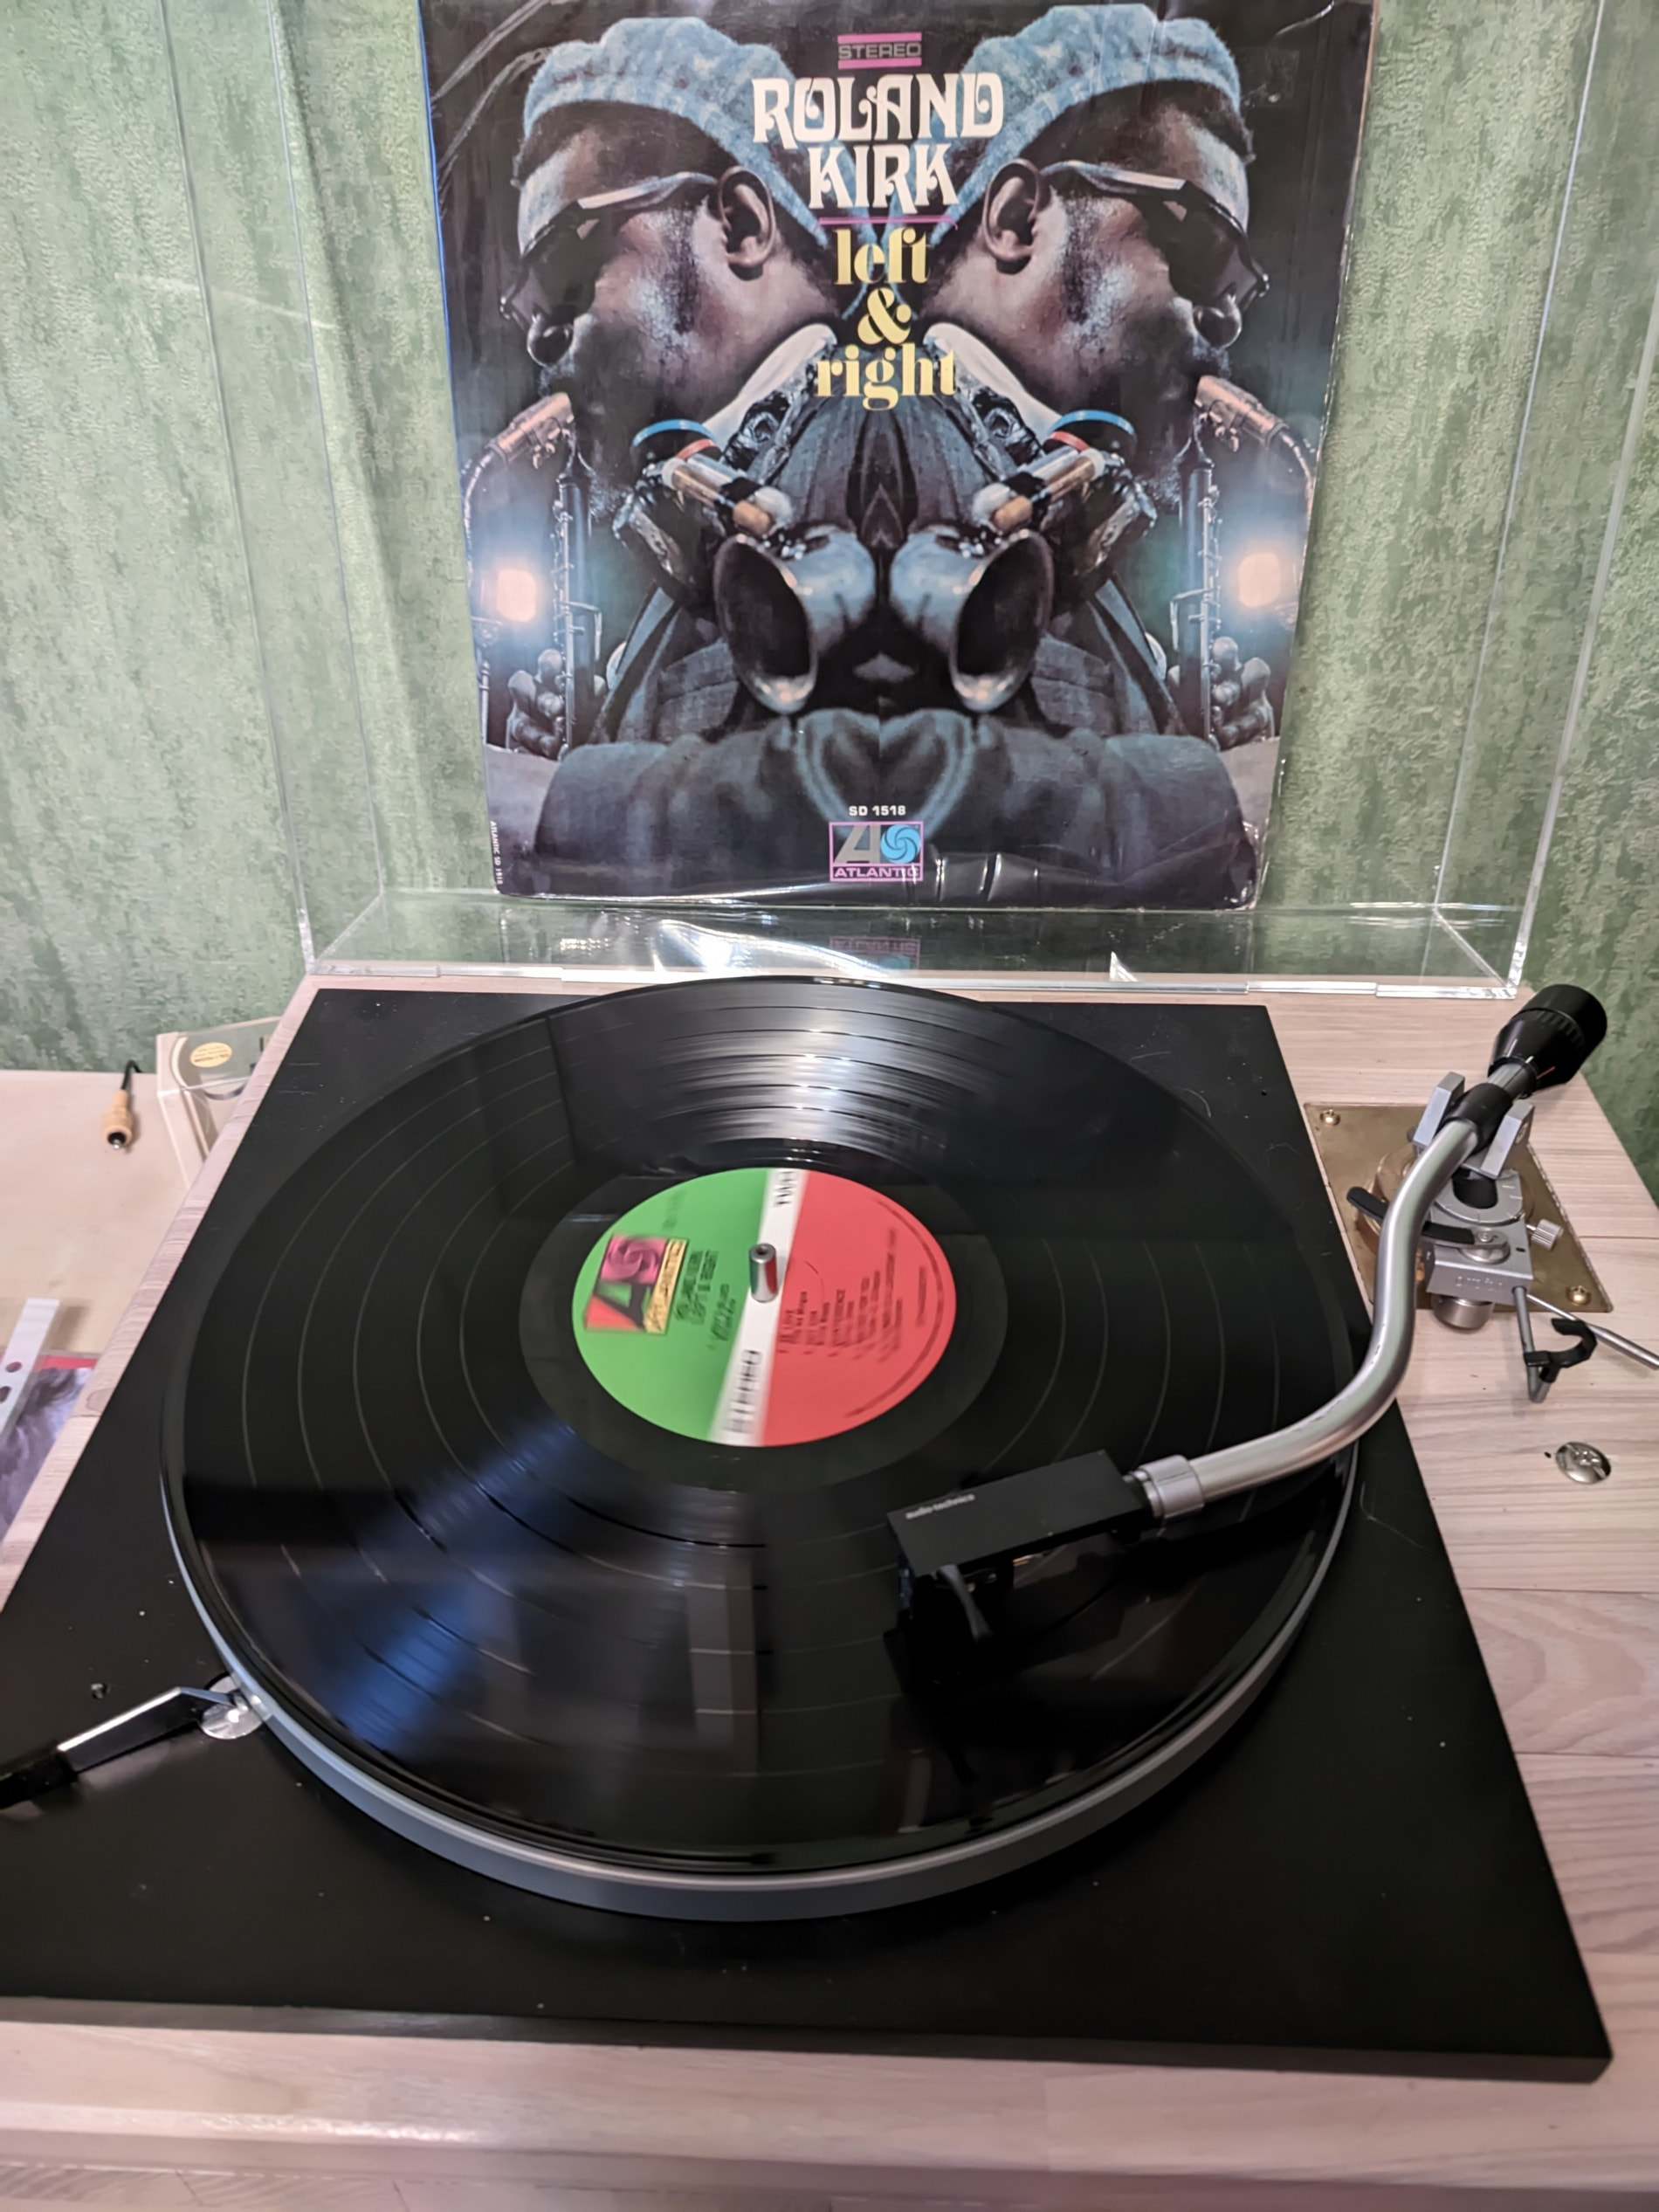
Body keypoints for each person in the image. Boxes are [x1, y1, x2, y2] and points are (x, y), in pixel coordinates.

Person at [919, 3, 1274, 749]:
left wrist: (1176, 734)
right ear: (1017, 221)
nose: (1228, 322)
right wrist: (1190, 789)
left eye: (1240, 290)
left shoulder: (1062, 493)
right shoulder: (891, 456)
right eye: (1205, 251)